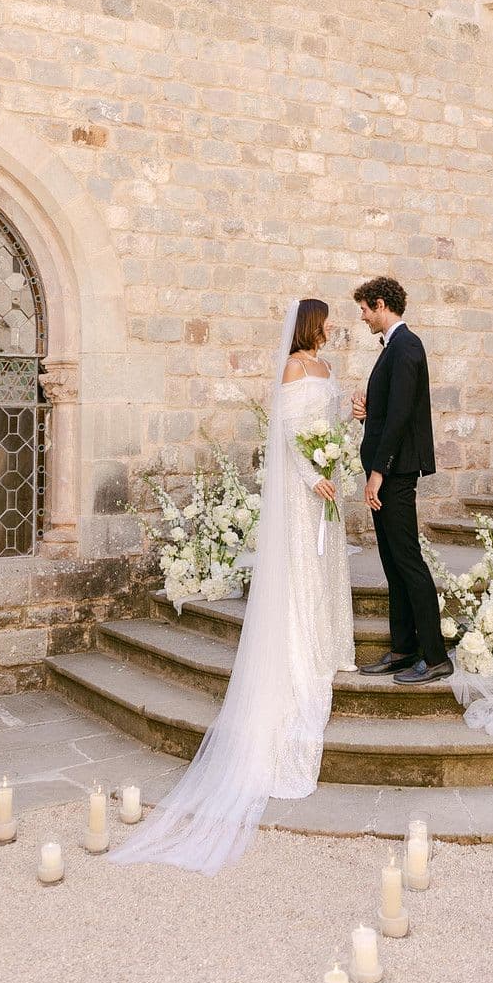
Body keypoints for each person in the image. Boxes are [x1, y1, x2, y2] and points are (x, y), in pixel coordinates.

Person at [111, 298, 355, 875]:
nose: (331, 328)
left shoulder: (326, 369)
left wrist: (347, 434)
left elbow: (329, 424)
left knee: (325, 568)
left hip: (328, 479)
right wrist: (312, 473)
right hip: (305, 489)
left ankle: (325, 641)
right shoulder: (295, 366)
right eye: (325, 320)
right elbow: (292, 431)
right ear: (309, 325)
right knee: (299, 567)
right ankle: (298, 650)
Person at [351, 276, 450, 685]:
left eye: (364, 309)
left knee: (407, 559)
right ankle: (403, 647)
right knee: (392, 560)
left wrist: (378, 472)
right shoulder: (393, 348)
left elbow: (402, 417)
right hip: (385, 468)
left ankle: (435, 654)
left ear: (379, 303)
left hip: (394, 471)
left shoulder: (407, 345)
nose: (362, 317)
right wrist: (366, 409)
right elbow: (390, 407)